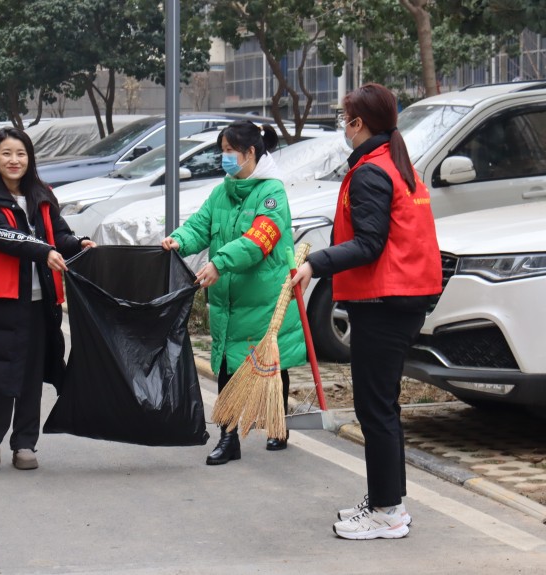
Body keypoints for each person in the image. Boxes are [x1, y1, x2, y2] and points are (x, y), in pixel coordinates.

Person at [291, 83, 442, 540]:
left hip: (386, 301)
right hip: (401, 298)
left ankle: (387, 512)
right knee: (381, 404)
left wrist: (316, 261)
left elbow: (370, 244)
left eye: (344, 118)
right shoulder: (398, 166)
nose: (342, 125)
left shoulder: (373, 172)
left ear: (359, 124)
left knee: (374, 406)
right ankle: (386, 499)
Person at [161, 120, 306, 465]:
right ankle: (229, 438)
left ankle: (277, 424)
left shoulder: (272, 195)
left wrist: (219, 263)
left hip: (265, 297)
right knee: (227, 364)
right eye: (222, 151)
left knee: (273, 363)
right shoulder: (222, 192)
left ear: (250, 152)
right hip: (228, 297)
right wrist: (178, 241)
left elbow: (259, 241)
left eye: (230, 151)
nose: (224, 158)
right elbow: (200, 225)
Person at [0, 127, 95, 471]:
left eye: (21, 154)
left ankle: (25, 443)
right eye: (7, 153)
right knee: (1, 373)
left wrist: (77, 243)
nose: (14, 160)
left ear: (30, 158)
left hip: (42, 302)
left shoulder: (42, 193)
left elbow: (60, 233)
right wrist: (44, 250)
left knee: (32, 375)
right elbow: (1, 235)